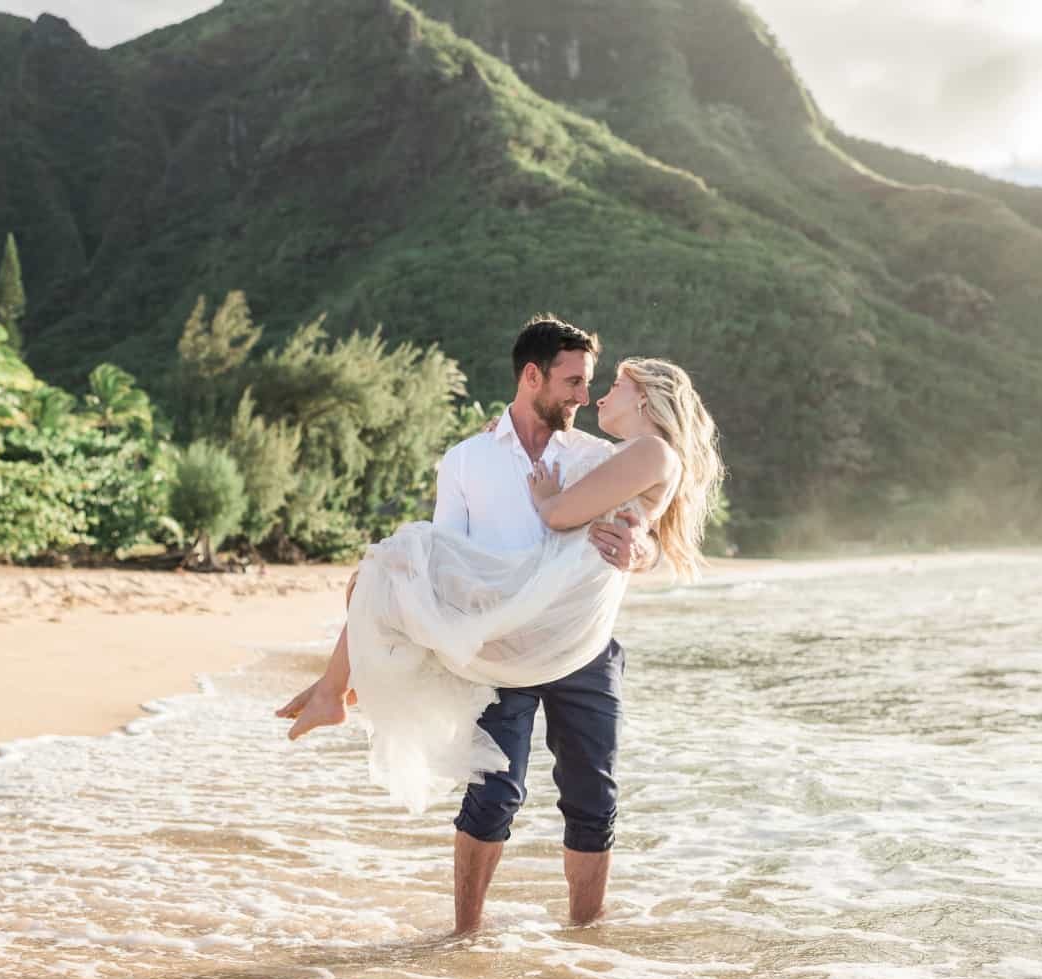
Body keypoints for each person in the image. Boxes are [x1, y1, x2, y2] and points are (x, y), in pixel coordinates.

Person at [276, 316, 724, 934]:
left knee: (593, 798)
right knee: (493, 793)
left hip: (579, 644)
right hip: (499, 640)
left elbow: (641, 524)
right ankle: (464, 936)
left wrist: (639, 549)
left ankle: (585, 938)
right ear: (531, 376)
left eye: (592, 384)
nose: (584, 397)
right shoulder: (468, 459)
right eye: (572, 382)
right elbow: (451, 558)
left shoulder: (598, 453)